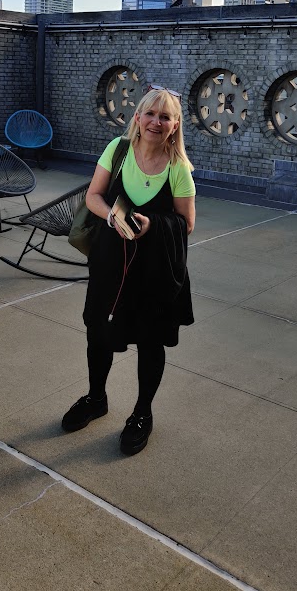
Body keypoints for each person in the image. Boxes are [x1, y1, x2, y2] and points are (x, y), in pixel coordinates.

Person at [62, 85, 196, 455]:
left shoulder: (178, 168)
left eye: (165, 116)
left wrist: (152, 224)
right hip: (110, 260)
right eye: (150, 114)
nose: (156, 122)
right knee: (99, 330)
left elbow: (186, 223)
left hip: (154, 270)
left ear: (175, 125)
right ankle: (96, 397)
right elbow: (93, 195)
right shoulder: (117, 150)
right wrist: (113, 217)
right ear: (137, 117)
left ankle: (142, 413)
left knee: (151, 341)